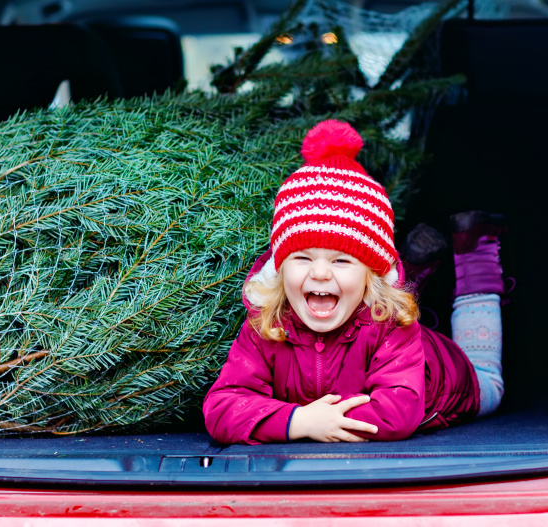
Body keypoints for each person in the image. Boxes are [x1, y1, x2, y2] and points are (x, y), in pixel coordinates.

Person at [202, 120, 507, 444]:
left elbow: (397, 412)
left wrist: (325, 422)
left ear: (371, 276)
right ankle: (413, 264)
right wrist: (300, 421)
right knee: (387, 297)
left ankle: (476, 255)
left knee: (491, 384)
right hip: (382, 319)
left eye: (341, 260)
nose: (319, 273)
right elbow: (221, 408)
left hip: (454, 379)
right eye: (303, 258)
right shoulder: (267, 326)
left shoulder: (391, 326)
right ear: (280, 267)